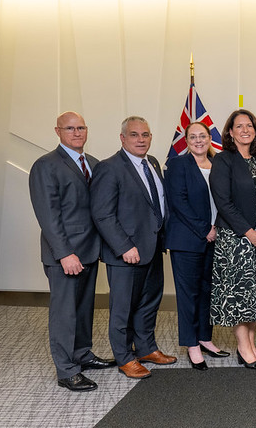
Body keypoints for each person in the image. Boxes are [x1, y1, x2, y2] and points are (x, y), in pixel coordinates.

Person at [29, 111, 116, 392]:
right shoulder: (46, 165)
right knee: (64, 313)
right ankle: (67, 370)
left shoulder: (91, 163)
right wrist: (64, 253)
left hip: (89, 251)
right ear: (58, 131)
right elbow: (48, 215)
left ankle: (82, 355)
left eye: (81, 127)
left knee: (82, 310)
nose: (77, 132)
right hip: (65, 255)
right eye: (70, 128)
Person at [91, 116, 177, 379]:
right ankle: (124, 357)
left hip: (153, 248)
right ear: (122, 138)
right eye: (134, 135)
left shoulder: (152, 163)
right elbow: (102, 214)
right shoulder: (109, 168)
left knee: (148, 303)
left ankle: (146, 348)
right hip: (126, 254)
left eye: (146, 135)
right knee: (123, 308)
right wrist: (124, 246)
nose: (141, 140)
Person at [209, 110, 256, 370]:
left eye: (250, 126)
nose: (245, 130)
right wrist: (248, 232)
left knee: (255, 294)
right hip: (236, 239)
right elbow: (223, 202)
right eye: (240, 126)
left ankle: (252, 344)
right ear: (230, 132)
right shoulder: (224, 161)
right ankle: (243, 347)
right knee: (240, 295)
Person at [164, 122, 230, 371]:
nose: (199, 140)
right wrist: (205, 229)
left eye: (203, 136)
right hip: (187, 240)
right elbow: (178, 202)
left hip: (215, 238)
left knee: (207, 292)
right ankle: (191, 344)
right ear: (187, 140)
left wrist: (215, 230)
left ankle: (204, 338)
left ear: (209, 138)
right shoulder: (178, 164)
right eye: (193, 136)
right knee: (188, 294)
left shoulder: (218, 164)